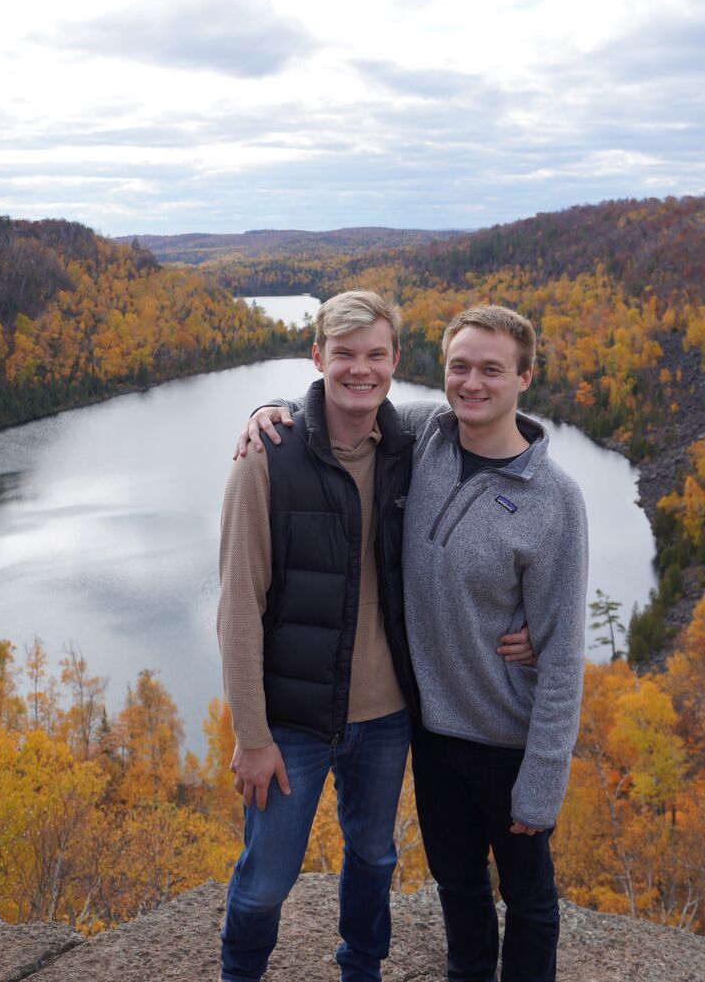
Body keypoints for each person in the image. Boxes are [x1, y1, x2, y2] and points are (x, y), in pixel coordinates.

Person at [240, 303, 588, 982]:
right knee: (456, 883)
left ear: (526, 377)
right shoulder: (426, 437)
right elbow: (343, 399)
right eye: (460, 367)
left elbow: (564, 648)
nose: (472, 383)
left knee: (529, 896)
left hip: (507, 738)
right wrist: (269, 407)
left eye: (493, 369)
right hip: (431, 731)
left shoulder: (554, 498)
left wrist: (544, 777)